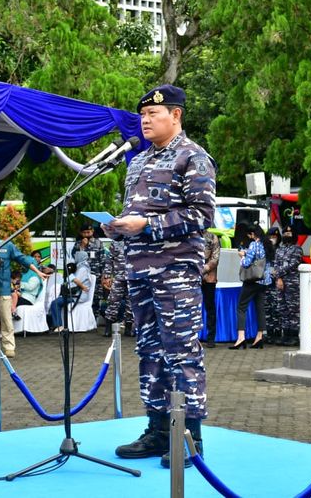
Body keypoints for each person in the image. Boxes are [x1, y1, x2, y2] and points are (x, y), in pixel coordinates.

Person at [103, 84, 215, 467]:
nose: (145, 120)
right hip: (139, 270)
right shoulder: (136, 161)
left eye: (153, 114)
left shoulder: (193, 158)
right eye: (143, 115)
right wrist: (118, 226)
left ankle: (189, 436)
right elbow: (135, 214)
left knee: (181, 351)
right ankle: (157, 429)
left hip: (175, 272)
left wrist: (145, 225)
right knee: (149, 350)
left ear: (176, 115)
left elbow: (202, 216)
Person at [0, 221, 46, 359]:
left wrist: (38, 272)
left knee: (6, 320)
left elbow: (23, 259)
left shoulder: (7, 246)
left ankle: (9, 347)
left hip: (3, 290)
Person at [230, 225, 273, 350]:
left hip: (252, 281)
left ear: (253, 234)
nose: (249, 237)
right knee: (260, 308)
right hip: (264, 281)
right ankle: (259, 336)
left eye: (250, 235)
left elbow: (247, 263)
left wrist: (242, 256)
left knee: (241, 308)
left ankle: (241, 337)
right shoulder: (267, 244)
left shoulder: (254, 244)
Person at [274, 225, 303, 346]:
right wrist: (278, 278)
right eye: (285, 233)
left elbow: (293, 264)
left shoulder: (297, 249)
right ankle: (285, 335)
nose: (286, 236)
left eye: (289, 234)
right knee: (283, 309)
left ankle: (294, 336)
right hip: (280, 283)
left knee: (293, 310)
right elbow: (276, 264)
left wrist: (278, 274)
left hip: (292, 283)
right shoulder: (279, 249)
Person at [48, 252, 92, 332]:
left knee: (55, 303)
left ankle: (59, 326)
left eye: (76, 256)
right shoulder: (82, 267)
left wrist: (69, 275)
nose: (75, 258)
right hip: (75, 293)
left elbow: (76, 281)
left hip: (78, 295)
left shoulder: (82, 268)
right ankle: (56, 324)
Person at [71, 223, 108, 317]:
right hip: (83, 276)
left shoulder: (99, 243)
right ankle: (83, 318)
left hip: (96, 274)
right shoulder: (78, 243)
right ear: (81, 233)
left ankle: (94, 318)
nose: (87, 234)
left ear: (92, 231)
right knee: (83, 295)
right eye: (85, 232)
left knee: (96, 297)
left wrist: (104, 275)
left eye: (89, 232)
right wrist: (82, 246)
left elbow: (103, 260)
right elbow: (75, 258)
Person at [103, 239, 134, 337]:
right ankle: (108, 328)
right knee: (113, 301)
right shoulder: (115, 242)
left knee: (131, 304)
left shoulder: (136, 239)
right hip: (118, 277)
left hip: (133, 277)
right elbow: (109, 260)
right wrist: (107, 276)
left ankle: (128, 329)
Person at [201, 231, 220, 347]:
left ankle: (211, 338)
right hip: (192, 277)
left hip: (209, 277)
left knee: (210, 308)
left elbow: (216, 258)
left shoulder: (213, 237)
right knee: (191, 308)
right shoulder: (191, 235)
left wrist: (204, 269)